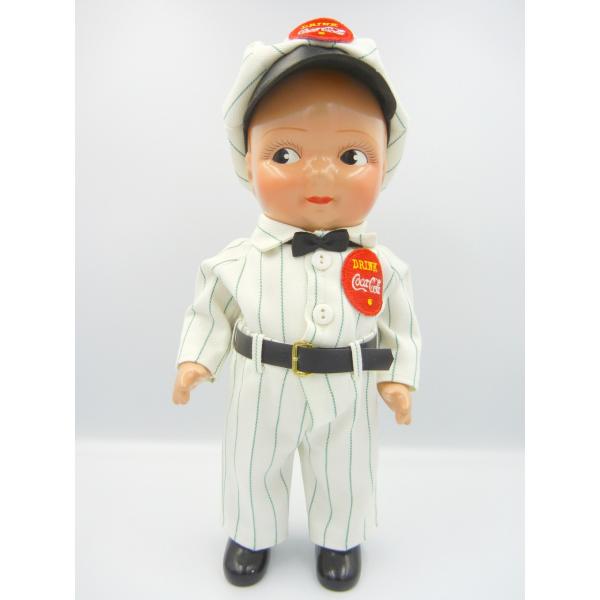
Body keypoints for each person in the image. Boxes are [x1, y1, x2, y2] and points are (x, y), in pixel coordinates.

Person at [172, 17, 422, 591]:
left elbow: (401, 328)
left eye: (352, 155)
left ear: (385, 165)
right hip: (261, 385)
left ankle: (340, 538)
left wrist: (399, 379)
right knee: (252, 462)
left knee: (345, 468)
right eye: (284, 153)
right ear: (248, 161)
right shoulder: (237, 261)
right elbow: (211, 312)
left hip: (347, 389)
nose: (320, 172)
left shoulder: (384, 267)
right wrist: (196, 361)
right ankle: (250, 532)